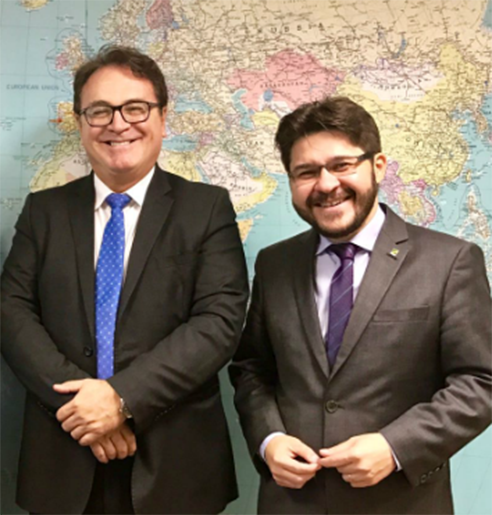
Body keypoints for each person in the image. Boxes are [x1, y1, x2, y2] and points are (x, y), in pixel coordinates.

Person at [0, 45, 248, 515]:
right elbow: (11, 312)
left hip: (176, 465)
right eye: (99, 111)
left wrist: (120, 399)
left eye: (135, 108)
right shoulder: (43, 212)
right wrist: (85, 409)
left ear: (163, 117)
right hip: (63, 456)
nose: (118, 124)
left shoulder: (206, 209)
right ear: (80, 122)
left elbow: (218, 321)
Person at [229, 96, 492, 515]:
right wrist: (268, 439)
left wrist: (396, 446)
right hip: (291, 504)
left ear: (378, 166)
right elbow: (251, 369)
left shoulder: (450, 262)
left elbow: (480, 381)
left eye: (342, 165)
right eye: (306, 172)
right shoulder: (275, 264)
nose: (326, 184)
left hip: (401, 503)